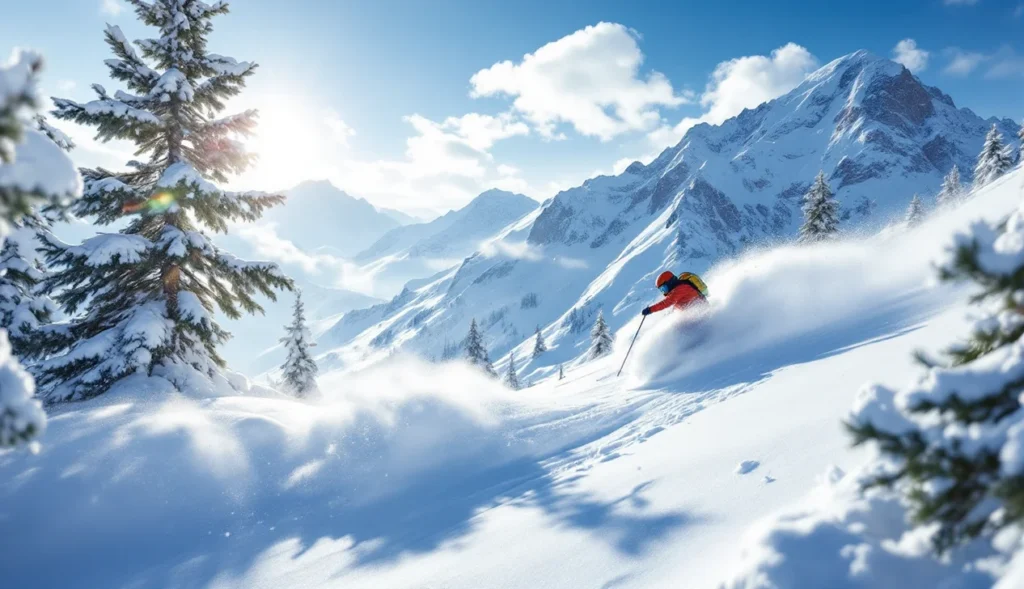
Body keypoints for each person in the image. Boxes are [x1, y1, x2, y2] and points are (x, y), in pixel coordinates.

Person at [641, 271, 707, 316]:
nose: (664, 292)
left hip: (701, 313)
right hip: (695, 314)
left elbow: (666, 303)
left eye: (664, 288)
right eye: (662, 290)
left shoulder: (681, 288)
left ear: (670, 282)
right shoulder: (676, 291)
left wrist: (650, 309)